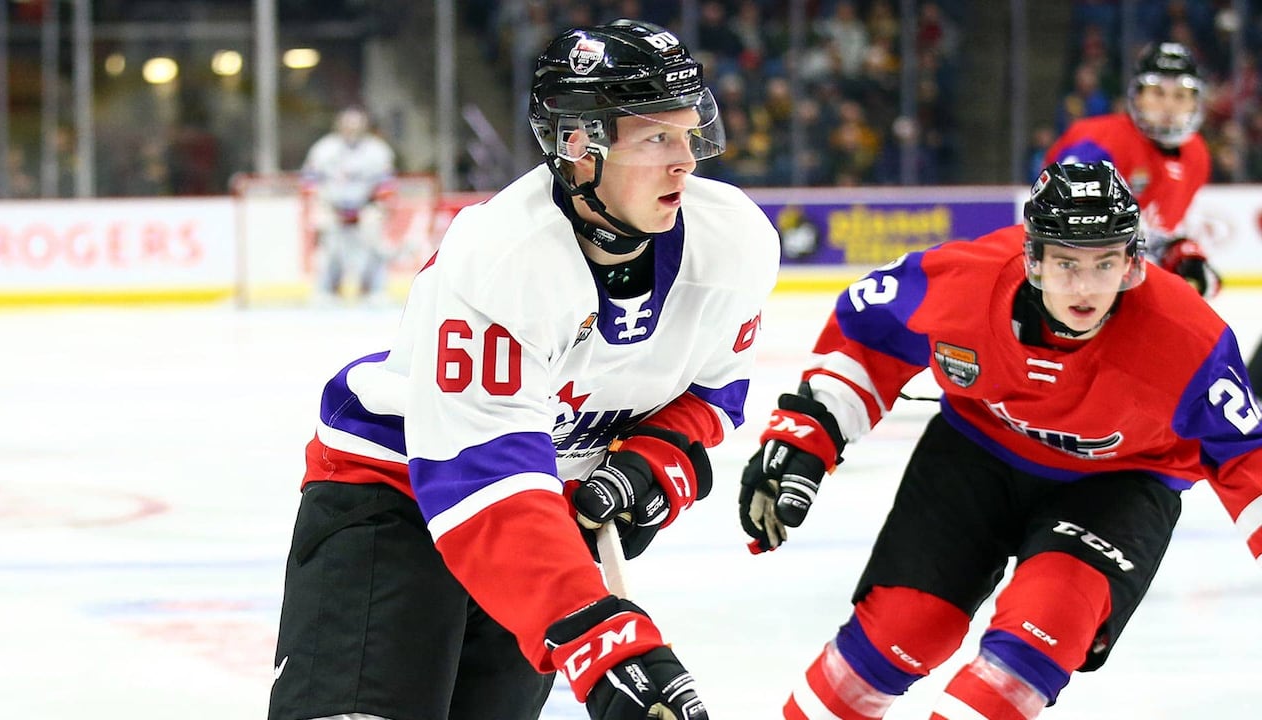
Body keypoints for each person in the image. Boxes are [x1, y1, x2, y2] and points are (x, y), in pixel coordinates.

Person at [269, 19, 779, 720]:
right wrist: (601, 642)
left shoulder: (736, 242)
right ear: (578, 145)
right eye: (656, 138)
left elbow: (714, 393)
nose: (685, 162)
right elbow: (482, 474)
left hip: (540, 517)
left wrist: (651, 465)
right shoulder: (504, 254)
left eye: (690, 134)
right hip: (399, 494)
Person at [737, 161, 1262, 720]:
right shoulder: (965, 281)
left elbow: (1246, 457)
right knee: (902, 628)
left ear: (1132, 261)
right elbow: (869, 334)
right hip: (978, 453)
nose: (1085, 288)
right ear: (1034, 257)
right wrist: (808, 434)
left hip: (1120, 483)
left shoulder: (1186, 338)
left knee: (1040, 633)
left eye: (1105, 263)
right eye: (1066, 263)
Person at [1045, 42, 1219, 299]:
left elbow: (1157, 235)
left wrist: (1182, 255)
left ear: (1196, 103)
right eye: (1157, 93)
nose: (1168, 106)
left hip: (1131, 284)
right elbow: (1063, 224)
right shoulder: (1097, 141)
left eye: (1180, 96)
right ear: (1137, 95)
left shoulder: (1197, 154)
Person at [301, 106, 397, 304]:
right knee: (329, 248)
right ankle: (327, 289)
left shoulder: (378, 151)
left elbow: (387, 184)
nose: (352, 130)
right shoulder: (323, 149)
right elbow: (309, 180)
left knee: (374, 244)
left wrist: (376, 205)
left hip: (367, 207)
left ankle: (373, 289)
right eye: (348, 125)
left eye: (356, 126)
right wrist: (322, 201)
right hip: (331, 207)